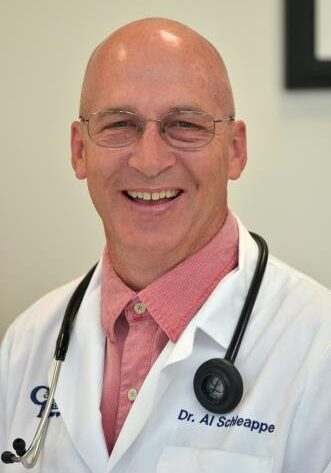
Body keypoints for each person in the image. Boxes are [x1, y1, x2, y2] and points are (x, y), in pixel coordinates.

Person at [0, 17, 330, 473]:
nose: (149, 161)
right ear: (80, 151)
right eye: (120, 123)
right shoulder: (26, 343)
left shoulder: (319, 347)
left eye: (185, 124)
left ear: (235, 150)